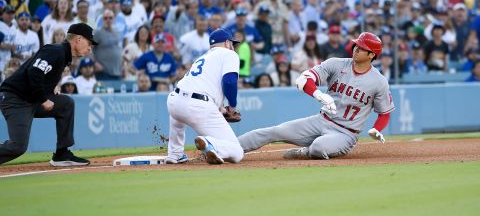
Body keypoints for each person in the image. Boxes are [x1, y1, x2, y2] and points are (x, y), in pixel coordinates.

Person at [238, 32, 395, 160]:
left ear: (371, 55)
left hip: (346, 133)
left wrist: (377, 128)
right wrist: (318, 93)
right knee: (274, 131)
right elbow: (304, 79)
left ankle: (306, 152)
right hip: (321, 121)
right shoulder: (337, 64)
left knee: (319, 147)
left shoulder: (379, 81)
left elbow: (384, 113)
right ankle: (230, 148)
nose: (356, 48)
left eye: (362, 47)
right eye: (356, 45)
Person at [0, 23, 97, 166]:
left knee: (66, 104)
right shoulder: (56, 51)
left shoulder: (63, 55)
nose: (90, 47)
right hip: (15, 98)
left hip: (29, 98)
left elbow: (40, 74)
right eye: (89, 43)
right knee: (18, 147)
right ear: (78, 39)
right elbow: (34, 73)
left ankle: (62, 154)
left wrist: (50, 88)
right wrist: (43, 99)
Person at [166, 28, 244, 165]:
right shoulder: (229, 54)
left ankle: (174, 154)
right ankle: (210, 143)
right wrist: (232, 106)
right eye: (233, 44)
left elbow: (201, 89)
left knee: (178, 121)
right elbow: (229, 81)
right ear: (227, 43)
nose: (233, 47)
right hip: (197, 106)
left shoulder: (203, 58)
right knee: (237, 152)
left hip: (174, 101)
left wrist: (222, 110)